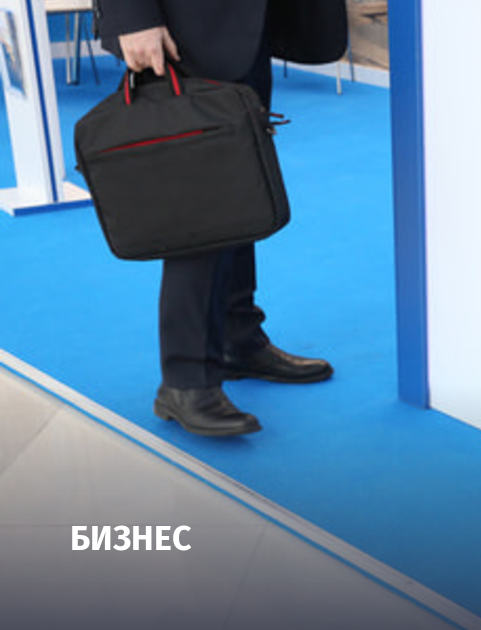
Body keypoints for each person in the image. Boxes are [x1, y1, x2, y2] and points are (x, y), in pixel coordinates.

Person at [96, 1, 348, 437]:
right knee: (204, 201)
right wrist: (132, 17)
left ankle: (237, 337)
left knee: (241, 185)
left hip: (248, 24)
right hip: (184, 29)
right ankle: (186, 379)